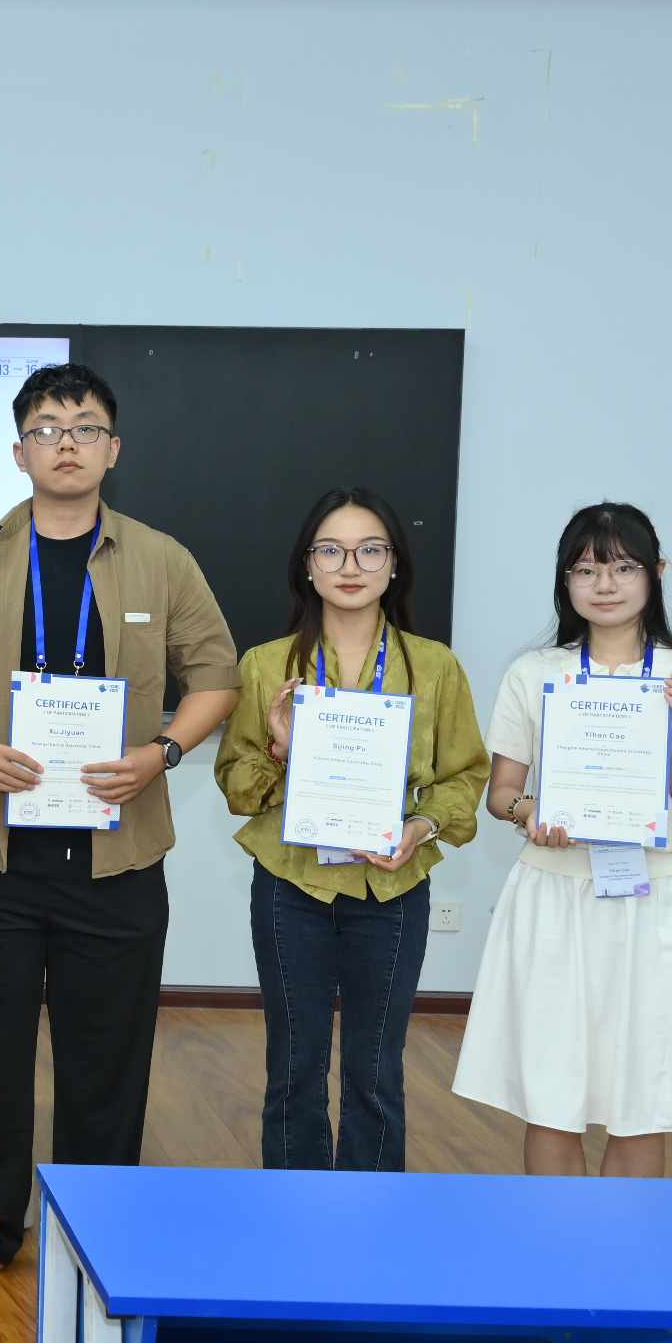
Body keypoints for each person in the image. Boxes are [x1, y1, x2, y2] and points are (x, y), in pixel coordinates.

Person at [0, 362, 240, 1304]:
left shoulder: (162, 559)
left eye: (85, 426)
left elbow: (216, 674)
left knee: (109, 1056)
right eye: (47, 427)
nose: (67, 441)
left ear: (113, 449)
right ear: (20, 451)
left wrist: (161, 753)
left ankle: (96, 1225)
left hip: (117, 854)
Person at [454, 502, 672, 1175]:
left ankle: (624, 1244)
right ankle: (555, 1240)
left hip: (658, 899)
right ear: (564, 579)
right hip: (554, 894)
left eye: (623, 567)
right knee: (551, 1093)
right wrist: (528, 810)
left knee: (643, 1095)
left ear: (657, 573)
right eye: (586, 570)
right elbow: (500, 792)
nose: (605, 585)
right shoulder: (533, 672)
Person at [214, 487, 488, 1172]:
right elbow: (237, 785)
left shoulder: (434, 665)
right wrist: (280, 748)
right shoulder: (266, 665)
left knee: (376, 1068)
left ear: (394, 565)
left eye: (370, 550)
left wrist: (422, 826)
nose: (350, 566)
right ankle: (293, 1209)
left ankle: (373, 1217)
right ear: (307, 565)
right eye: (331, 550)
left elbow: (464, 776)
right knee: (294, 1065)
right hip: (291, 885)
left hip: (391, 886)